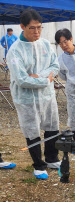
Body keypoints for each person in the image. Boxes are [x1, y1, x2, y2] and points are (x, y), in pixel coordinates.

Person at [7, 9, 60, 180]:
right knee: (32, 130)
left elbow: (55, 65)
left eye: (39, 28)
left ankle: (52, 158)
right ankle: (38, 165)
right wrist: (46, 80)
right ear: (22, 27)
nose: (36, 32)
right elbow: (22, 79)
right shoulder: (15, 51)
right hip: (27, 98)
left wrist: (39, 76)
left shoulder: (45, 44)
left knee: (52, 126)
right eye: (32, 28)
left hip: (47, 95)